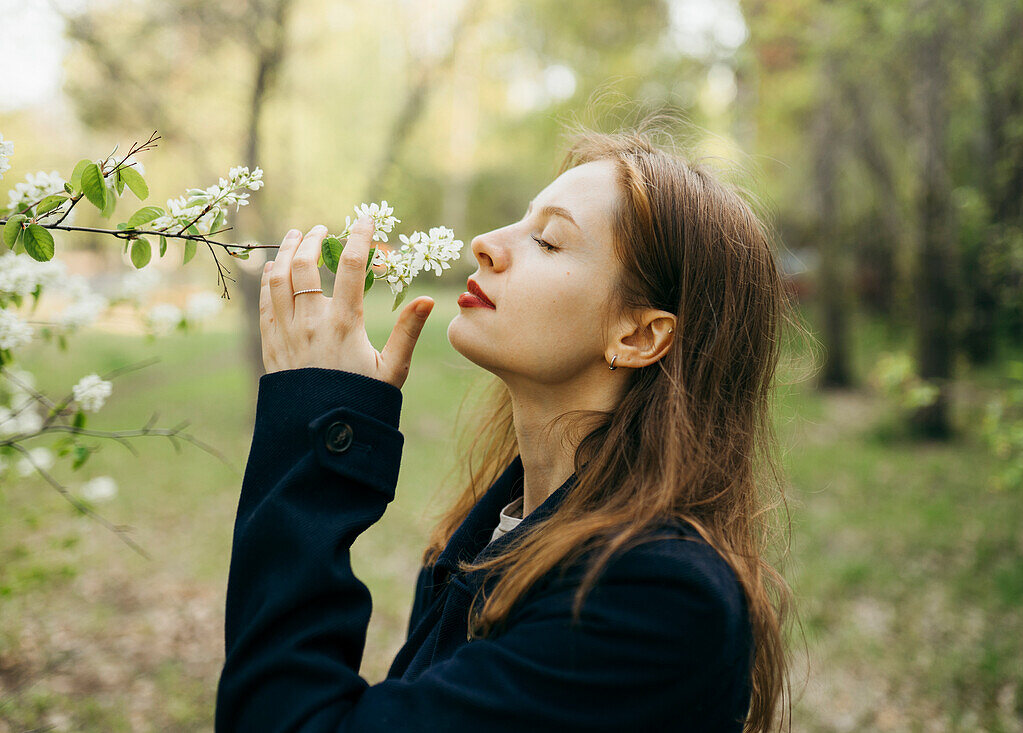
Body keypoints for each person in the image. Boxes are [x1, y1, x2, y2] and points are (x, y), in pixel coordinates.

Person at [215, 127, 796, 732]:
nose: (485, 244)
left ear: (639, 335)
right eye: (519, 223)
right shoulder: (493, 533)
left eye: (547, 241)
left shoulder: (657, 597)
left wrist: (320, 436)